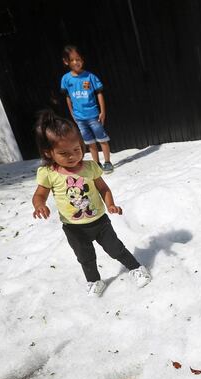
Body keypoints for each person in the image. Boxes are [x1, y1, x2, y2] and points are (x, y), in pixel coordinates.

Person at [31, 110, 151, 296]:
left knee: (115, 249)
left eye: (77, 149)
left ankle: (135, 267)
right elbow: (39, 194)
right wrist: (40, 205)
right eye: (63, 153)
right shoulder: (48, 173)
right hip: (73, 227)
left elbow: (103, 189)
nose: (72, 156)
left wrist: (110, 204)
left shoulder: (89, 167)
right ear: (49, 153)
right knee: (85, 257)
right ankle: (94, 281)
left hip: (100, 222)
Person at [60, 45, 113, 173]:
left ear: (82, 60)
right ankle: (96, 164)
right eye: (72, 60)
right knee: (90, 142)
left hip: (94, 115)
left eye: (78, 59)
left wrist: (103, 112)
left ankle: (107, 162)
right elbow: (68, 97)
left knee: (102, 139)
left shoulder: (90, 77)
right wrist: (72, 113)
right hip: (80, 118)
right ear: (66, 62)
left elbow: (99, 93)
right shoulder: (66, 79)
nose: (75, 62)